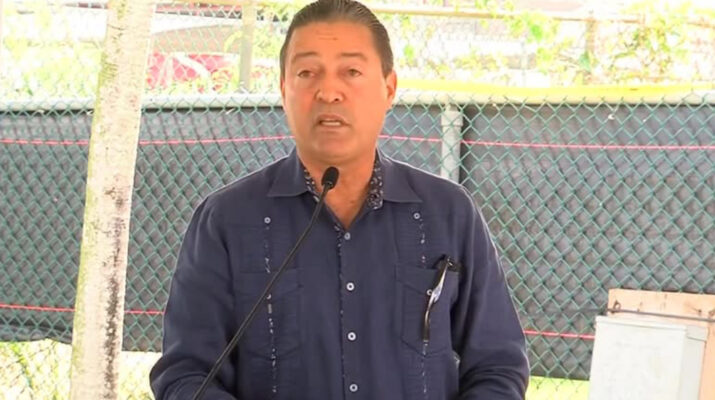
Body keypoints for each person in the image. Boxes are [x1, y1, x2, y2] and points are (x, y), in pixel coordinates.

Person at [150, 0, 529, 398]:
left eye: (351, 72)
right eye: (307, 72)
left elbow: (498, 366)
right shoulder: (227, 220)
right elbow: (186, 375)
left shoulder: (449, 213)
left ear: (389, 88)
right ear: (284, 89)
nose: (328, 91)